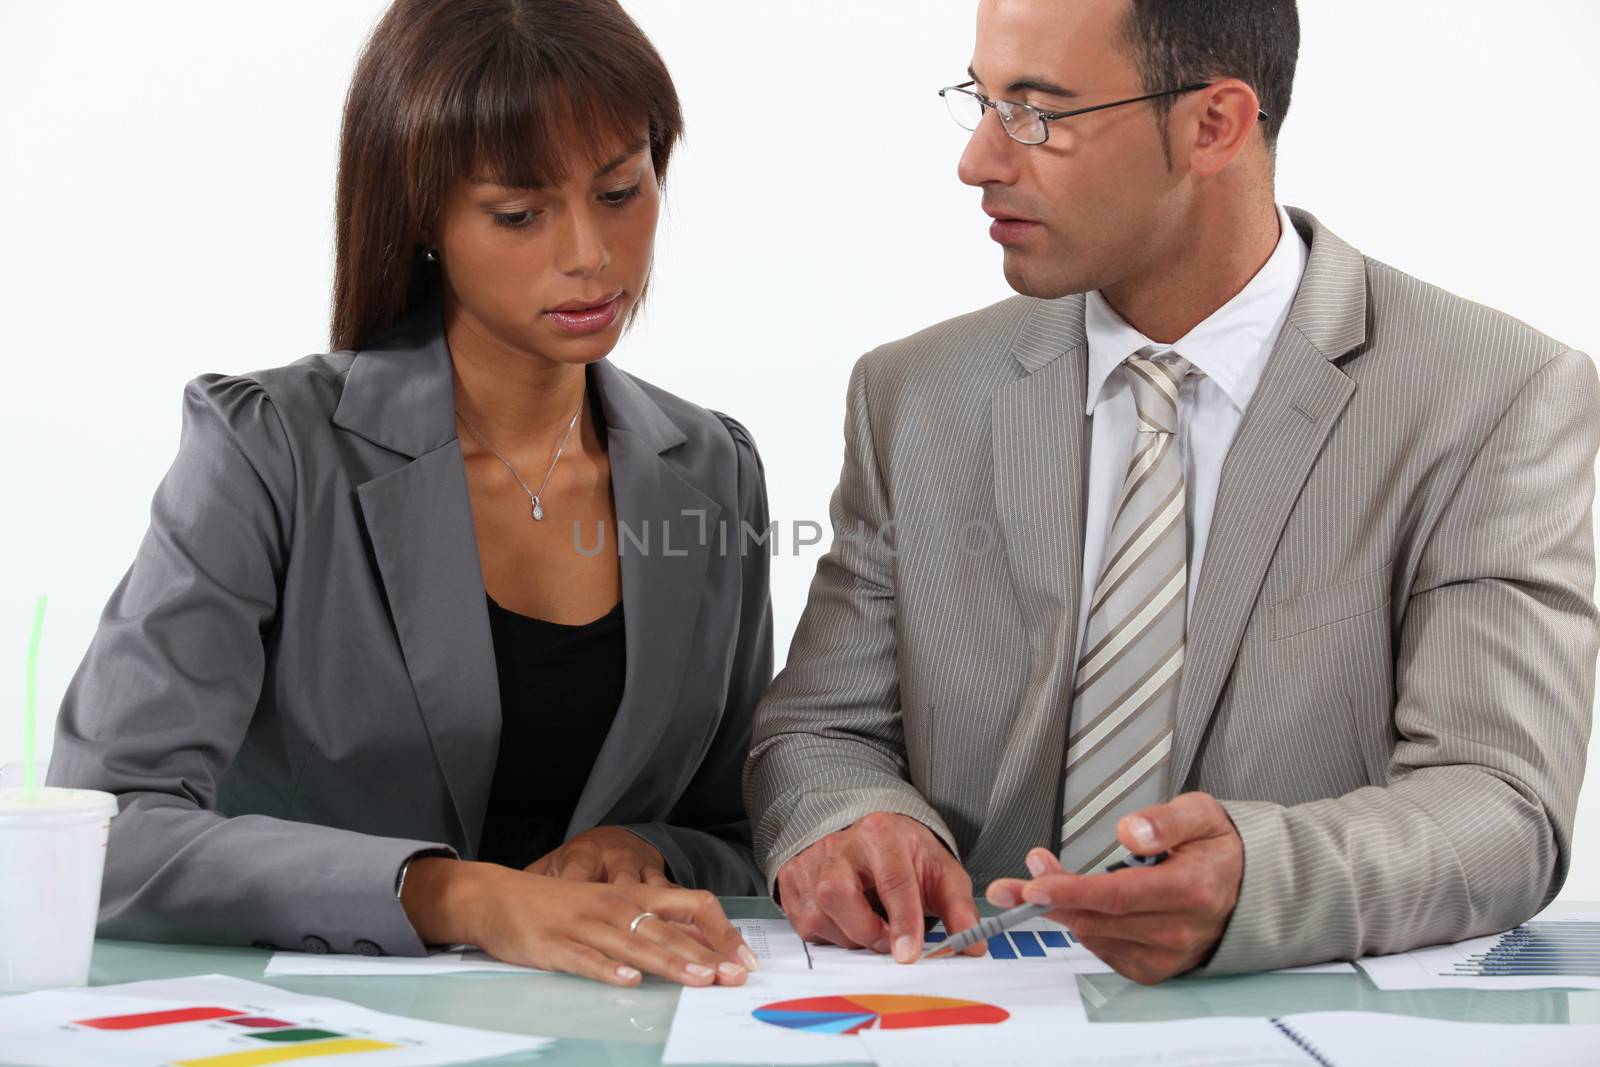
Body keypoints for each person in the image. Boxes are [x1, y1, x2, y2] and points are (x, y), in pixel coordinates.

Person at [744, 0, 1599, 983]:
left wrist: (1260, 880)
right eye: (982, 100)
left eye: (1036, 112)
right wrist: (854, 816)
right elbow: (822, 727)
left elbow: (1500, 803)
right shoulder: (913, 395)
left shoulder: (1490, 396)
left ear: (1214, 125)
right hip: (957, 1007)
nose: (977, 160)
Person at [48, 0, 770, 989]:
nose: (589, 254)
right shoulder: (268, 450)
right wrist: (459, 893)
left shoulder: (712, 467)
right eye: (519, 213)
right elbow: (104, 828)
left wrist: (644, 845)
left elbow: (736, 824)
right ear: (421, 218)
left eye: (619, 190)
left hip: (621, 1023)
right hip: (320, 1028)